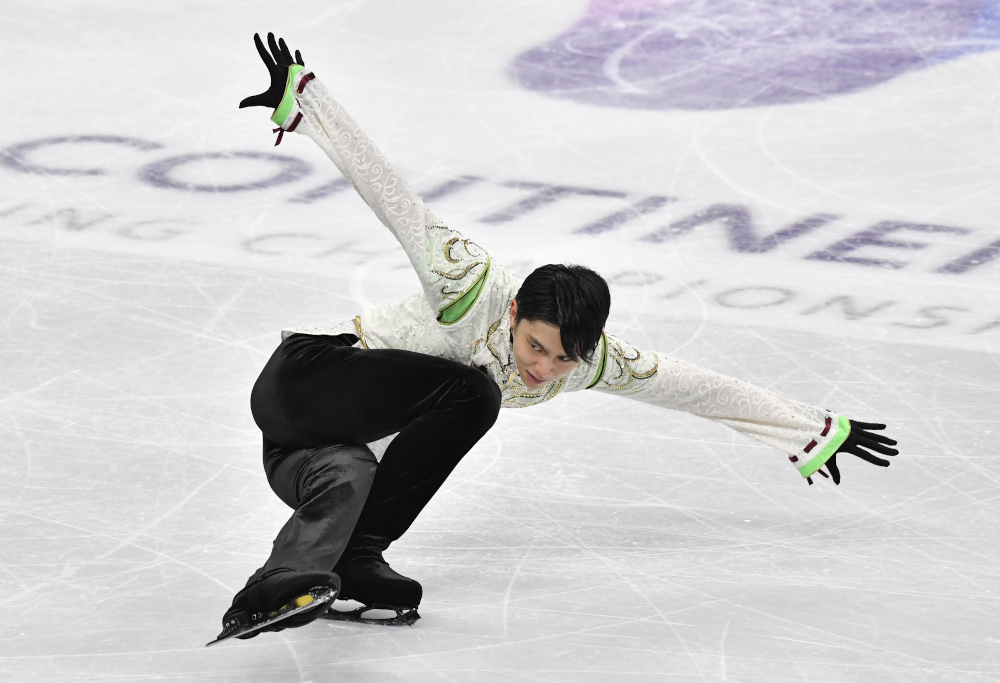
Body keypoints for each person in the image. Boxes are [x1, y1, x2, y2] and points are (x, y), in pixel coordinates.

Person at [214, 33, 899, 642]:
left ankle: (338, 562)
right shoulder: (471, 285)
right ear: (514, 315)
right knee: (473, 392)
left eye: (563, 357)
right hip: (303, 384)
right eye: (536, 346)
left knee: (353, 473)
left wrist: (811, 430)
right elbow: (392, 196)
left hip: (306, 457)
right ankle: (298, 576)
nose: (544, 368)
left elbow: (695, 387)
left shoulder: (588, 362)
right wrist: (304, 102)